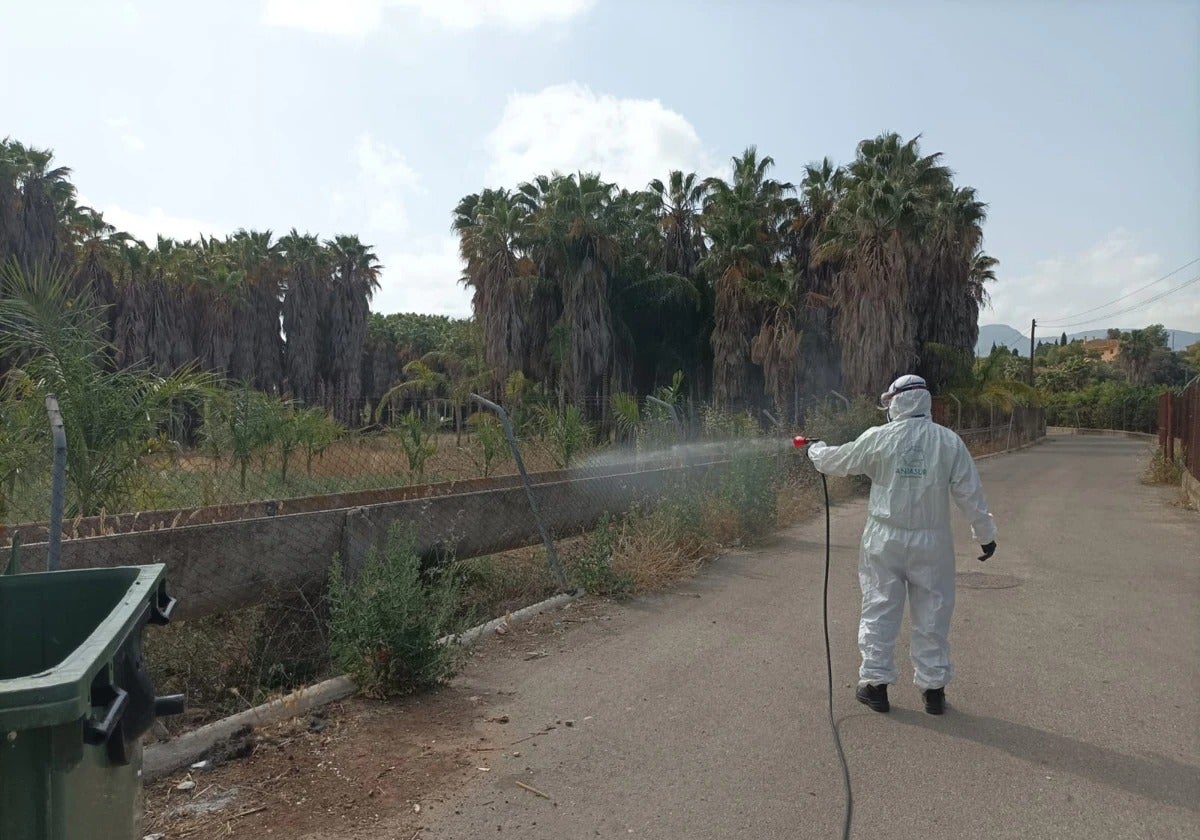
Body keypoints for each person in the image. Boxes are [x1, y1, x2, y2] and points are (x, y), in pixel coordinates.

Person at [805, 374, 996, 715]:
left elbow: (839, 460)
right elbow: (971, 493)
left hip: (884, 540)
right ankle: (933, 691)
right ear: (923, 402)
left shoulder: (878, 439)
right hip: (932, 542)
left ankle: (876, 686)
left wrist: (814, 449)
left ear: (895, 401)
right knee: (933, 614)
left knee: (879, 608)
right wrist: (986, 536)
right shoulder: (949, 442)